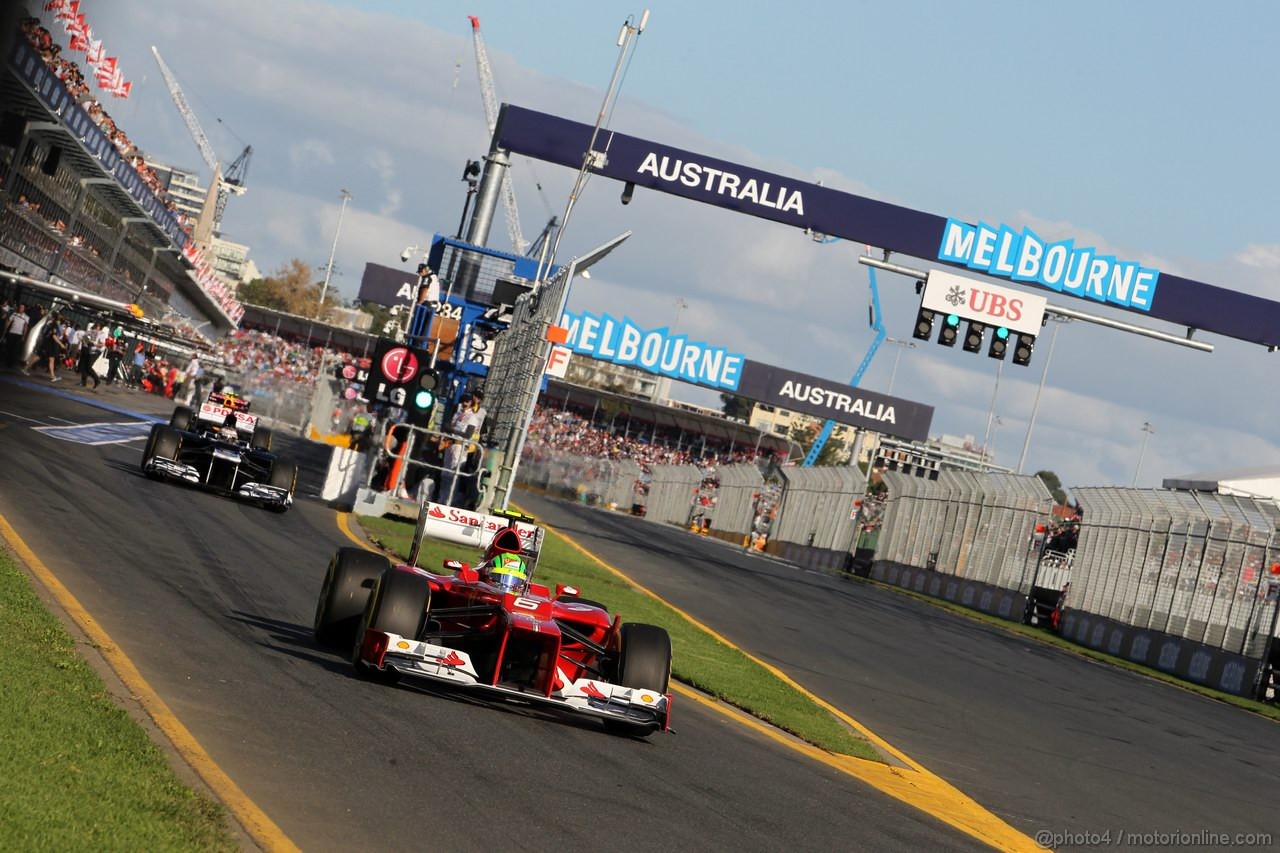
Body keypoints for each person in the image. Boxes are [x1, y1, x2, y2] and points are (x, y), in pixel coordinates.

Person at [4, 303, 29, 369]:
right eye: (20, 307)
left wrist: (24, 335)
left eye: (22, 307)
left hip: (19, 335)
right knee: (9, 347)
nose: (20, 308)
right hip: (11, 333)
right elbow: (9, 322)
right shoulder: (14, 314)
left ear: (24, 309)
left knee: (15, 349)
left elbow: (25, 327)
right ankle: (7, 361)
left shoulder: (26, 317)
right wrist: (5, 329)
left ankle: (11, 363)